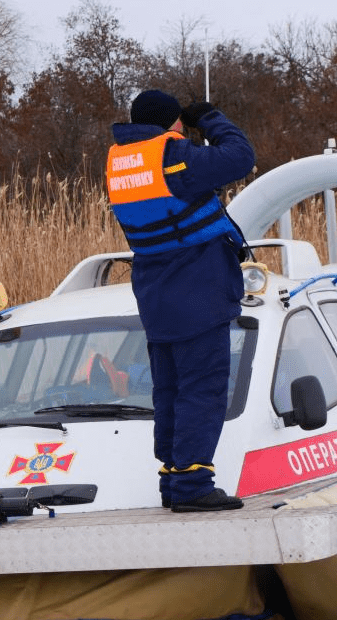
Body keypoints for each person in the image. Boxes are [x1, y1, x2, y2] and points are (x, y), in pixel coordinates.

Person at [106, 90, 254, 512]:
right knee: (202, 389)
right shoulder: (175, 157)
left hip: (155, 290)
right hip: (197, 287)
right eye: (180, 125)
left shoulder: (122, 161)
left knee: (169, 390)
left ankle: (173, 479)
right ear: (171, 123)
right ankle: (192, 485)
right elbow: (240, 156)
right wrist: (209, 117)